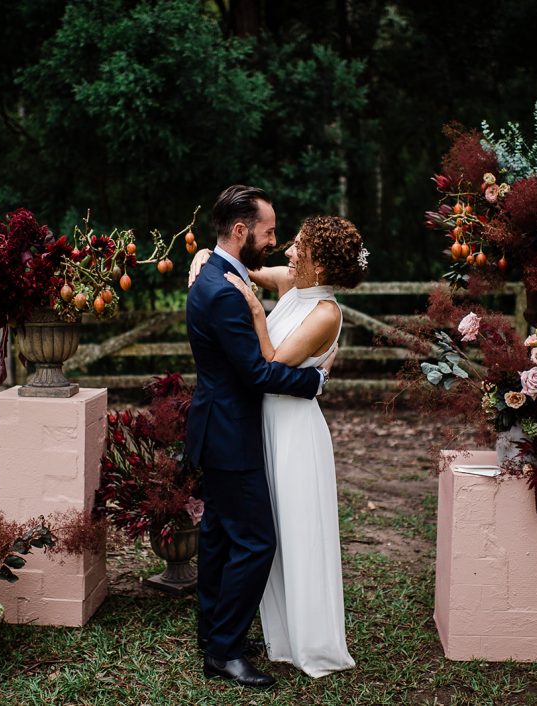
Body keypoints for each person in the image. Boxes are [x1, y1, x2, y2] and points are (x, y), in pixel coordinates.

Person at [191, 215, 368, 678]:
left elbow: (269, 360)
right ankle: (232, 632)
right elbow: (241, 268)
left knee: (289, 533)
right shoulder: (293, 282)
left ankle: (300, 635)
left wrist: (254, 311)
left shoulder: (325, 312)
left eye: (300, 249)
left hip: (292, 432)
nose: (288, 252)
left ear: (321, 269)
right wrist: (203, 254)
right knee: (255, 532)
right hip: (258, 423)